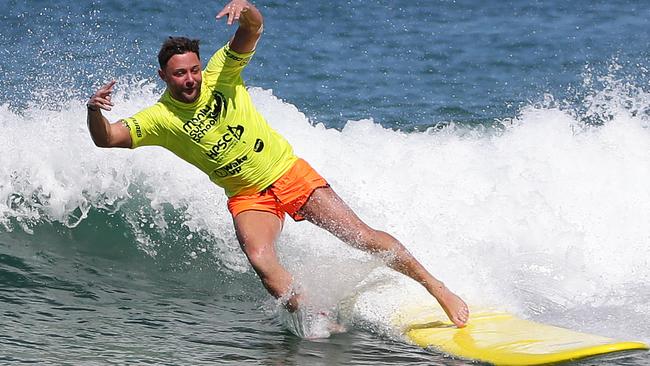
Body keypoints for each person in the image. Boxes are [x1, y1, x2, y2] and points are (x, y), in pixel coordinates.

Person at [86, 0, 469, 330]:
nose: (190, 79)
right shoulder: (159, 118)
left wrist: (246, 8)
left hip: (287, 173)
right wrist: (93, 111)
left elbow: (253, 28)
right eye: (180, 73)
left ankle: (437, 288)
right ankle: (316, 317)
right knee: (261, 260)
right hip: (247, 196)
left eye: (194, 70)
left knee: (362, 238)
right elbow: (106, 138)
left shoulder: (222, 72)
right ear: (163, 76)